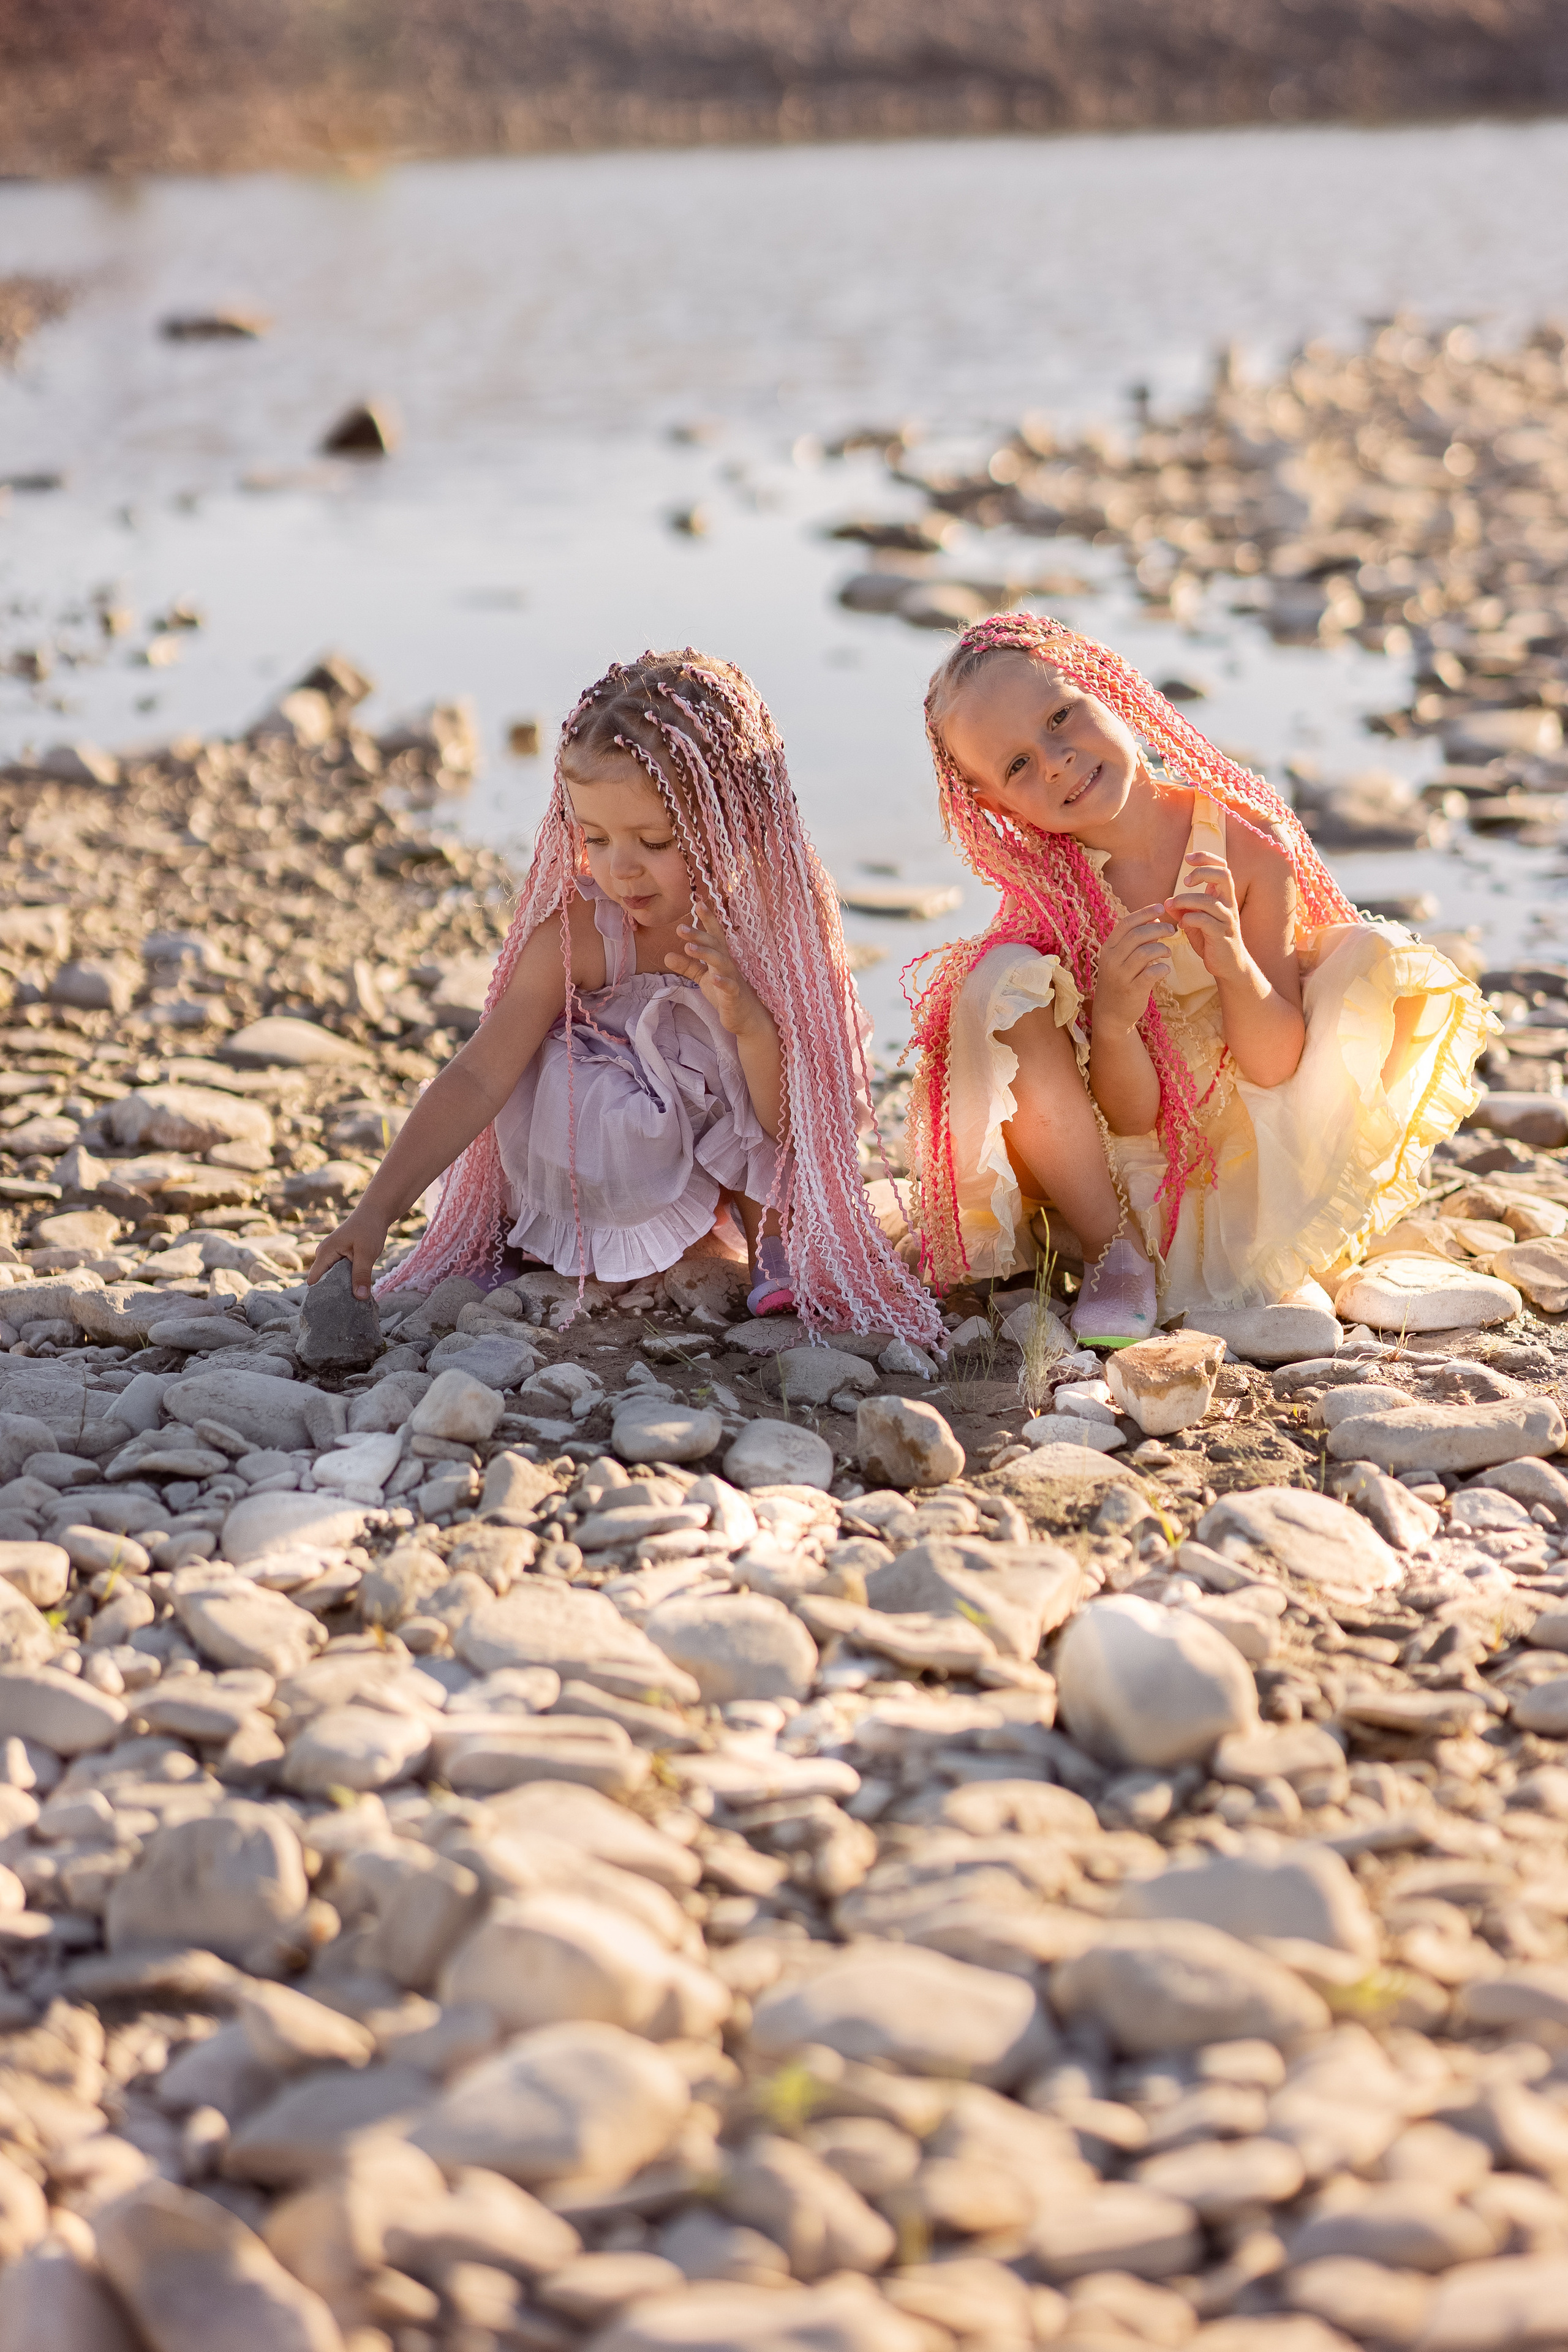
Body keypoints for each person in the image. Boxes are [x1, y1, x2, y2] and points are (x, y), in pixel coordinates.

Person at [307, 647, 941, 1346]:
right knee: (552, 1075)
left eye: (654, 839)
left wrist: (752, 1025)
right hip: (608, 1139)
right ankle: (531, 1231)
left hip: (728, 1125)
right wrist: (374, 1213)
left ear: (733, 817)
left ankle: (773, 1232)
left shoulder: (770, 937)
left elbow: (789, 1123)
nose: (620, 868)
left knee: (731, 1036)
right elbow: (479, 1074)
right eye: (596, 838)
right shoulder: (580, 935)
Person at [905, 612, 1491, 1346]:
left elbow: (1277, 1063)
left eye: (1060, 717)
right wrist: (1115, 1021)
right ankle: (1114, 1254)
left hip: (1257, 1146)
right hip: (1124, 1176)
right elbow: (1130, 1119)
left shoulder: (1243, 848)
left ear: (1107, 689)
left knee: (1367, 954)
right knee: (994, 985)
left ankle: (1258, 1255)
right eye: (1017, 766)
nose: (1054, 761)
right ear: (997, 805)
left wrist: (1234, 967)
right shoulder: (1052, 898)